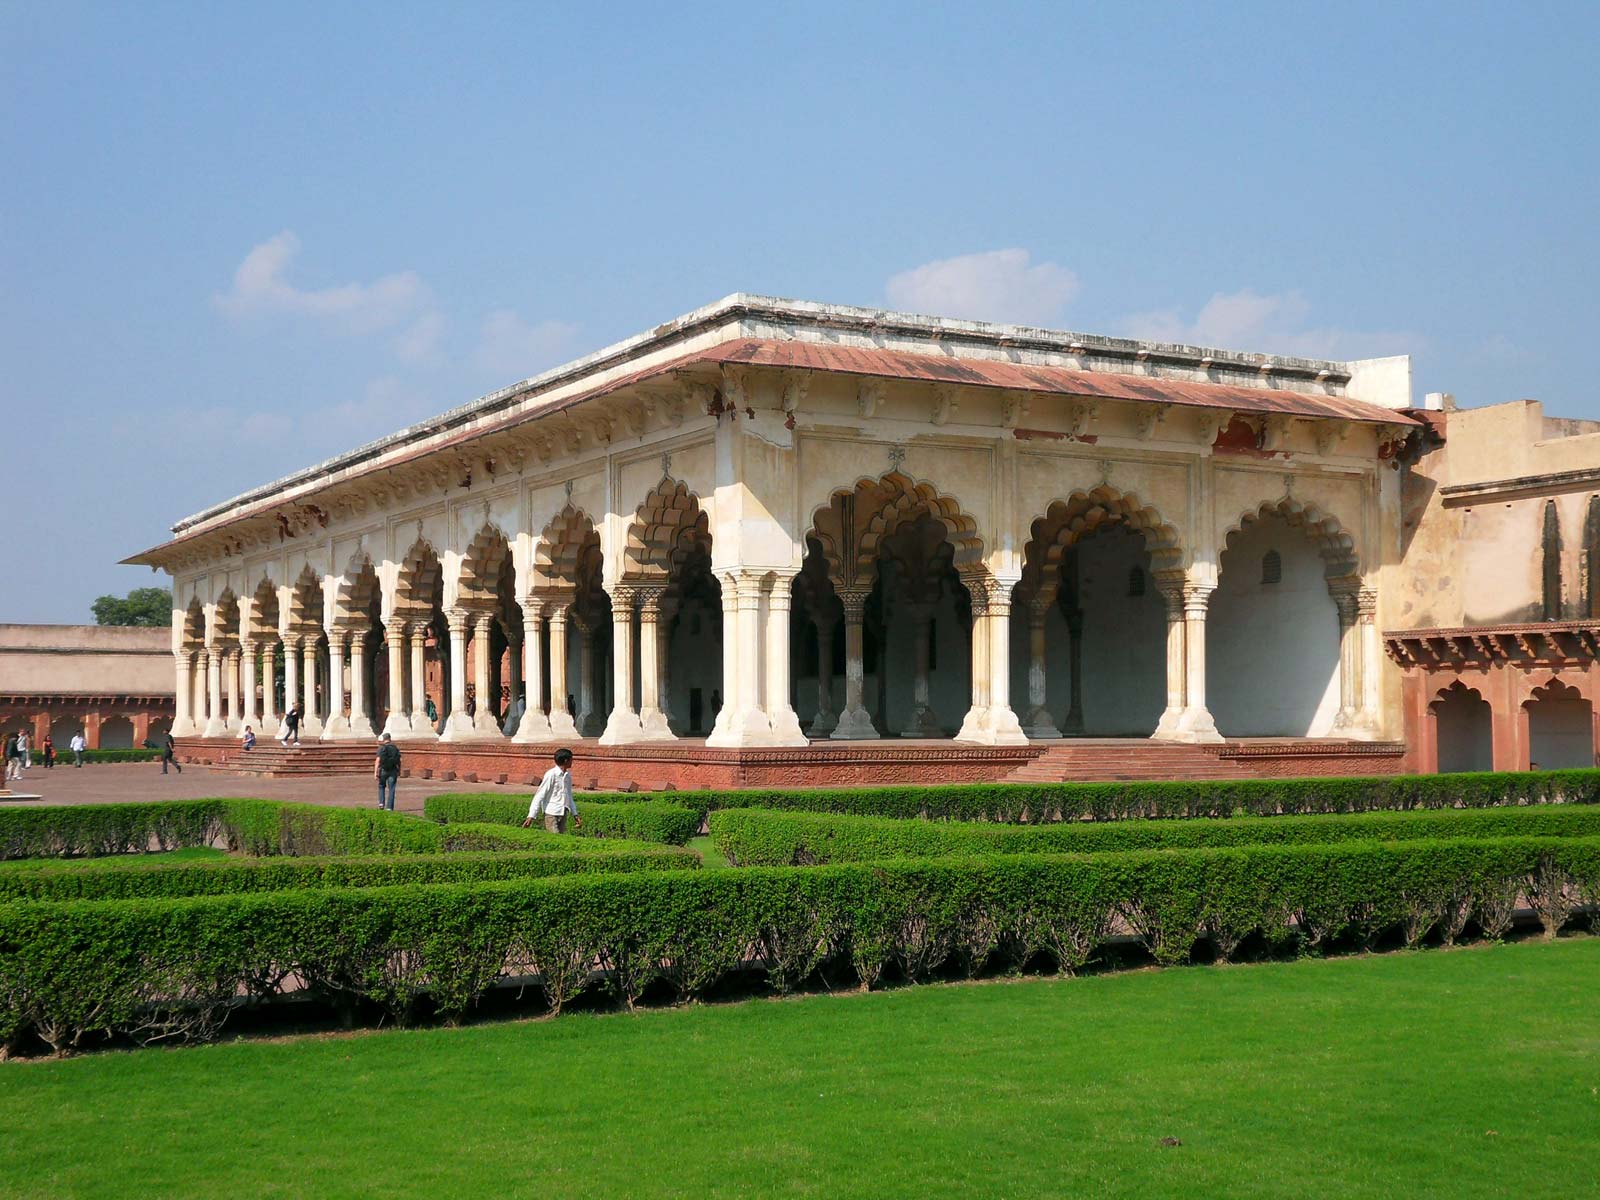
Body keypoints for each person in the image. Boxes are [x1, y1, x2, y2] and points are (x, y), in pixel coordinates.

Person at [522, 748, 580, 834]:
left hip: (563, 812)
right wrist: (531, 815)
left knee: (561, 840)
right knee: (555, 837)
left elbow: (568, 795)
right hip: (551, 813)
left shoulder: (567, 776)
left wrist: (575, 814)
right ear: (566, 761)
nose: (572, 762)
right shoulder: (551, 774)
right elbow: (540, 795)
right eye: (571, 759)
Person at [374, 733, 401, 811]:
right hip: (393, 770)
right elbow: (399, 760)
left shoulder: (381, 748)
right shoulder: (395, 748)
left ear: (383, 739)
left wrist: (375, 772)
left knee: (381, 786)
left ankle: (381, 803)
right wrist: (399, 769)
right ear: (390, 738)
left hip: (383, 770)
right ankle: (389, 807)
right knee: (391, 789)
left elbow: (378, 761)